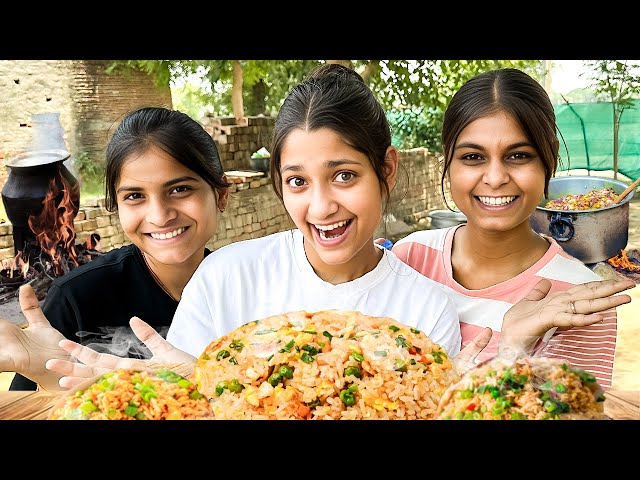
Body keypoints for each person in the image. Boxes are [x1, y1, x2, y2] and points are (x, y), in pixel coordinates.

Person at [40, 65, 632, 390]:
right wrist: (179, 387)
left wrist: (511, 348)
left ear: (387, 169)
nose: (322, 206)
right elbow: (184, 394)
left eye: (344, 175)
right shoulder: (227, 275)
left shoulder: (425, 305)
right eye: (298, 181)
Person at [390, 68, 635, 390]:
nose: (495, 177)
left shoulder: (577, 298)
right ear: (447, 164)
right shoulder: (410, 257)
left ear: (549, 161)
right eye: (473, 156)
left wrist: (514, 350)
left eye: (519, 156)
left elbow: (572, 411)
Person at [2, 106, 230, 391]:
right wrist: (48, 382)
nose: (159, 216)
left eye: (180, 189)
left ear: (220, 195)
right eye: (135, 196)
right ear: (117, 207)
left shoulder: (244, 287)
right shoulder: (77, 298)